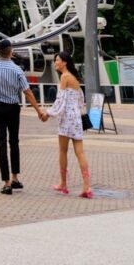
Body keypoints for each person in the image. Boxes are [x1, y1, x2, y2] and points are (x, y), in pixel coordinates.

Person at [0, 37, 47, 195]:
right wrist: (39, 111)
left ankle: (6, 183)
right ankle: (15, 177)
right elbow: (27, 91)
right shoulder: (17, 70)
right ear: (10, 52)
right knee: (14, 142)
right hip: (12, 109)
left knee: (1, 144)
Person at [42, 52, 93, 198]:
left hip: (66, 119)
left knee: (63, 151)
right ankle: (87, 186)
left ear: (64, 62)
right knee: (80, 152)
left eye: (57, 60)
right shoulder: (74, 78)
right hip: (76, 118)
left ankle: (63, 183)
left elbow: (60, 101)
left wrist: (48, 113)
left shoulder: (64, 77)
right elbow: (80, 101)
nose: (55, 63)